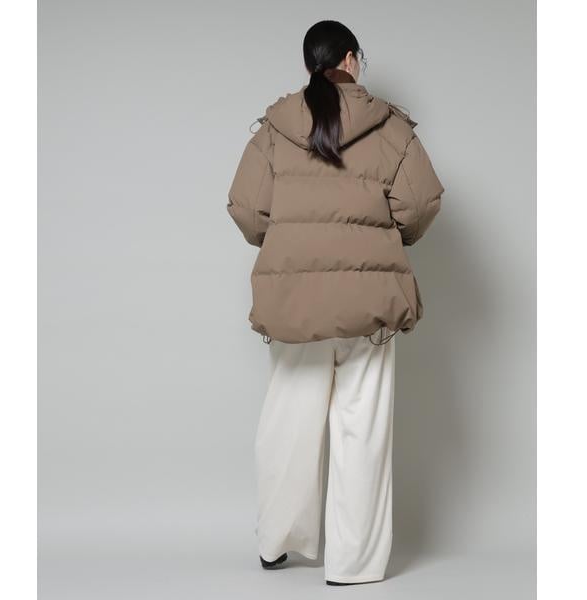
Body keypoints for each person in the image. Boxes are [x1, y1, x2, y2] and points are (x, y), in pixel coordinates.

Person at [227, 20, 444, 586]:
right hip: (369, 302)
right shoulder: (390, 126)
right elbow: (421, 205)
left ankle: (277, 542)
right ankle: (354, 564)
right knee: (361, 426)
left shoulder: (275, 127)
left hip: (295, 301)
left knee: (290, 421)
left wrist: (291, 242)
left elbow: (247, 210)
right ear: (350, 59)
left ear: (310, 66)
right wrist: (384, 238)